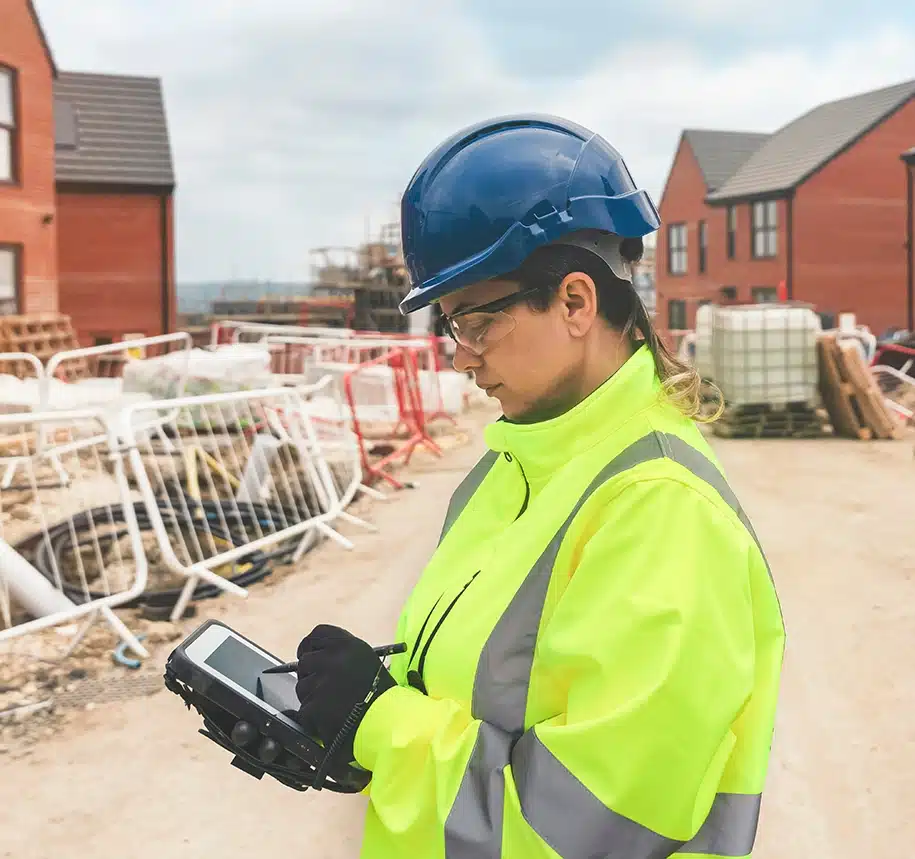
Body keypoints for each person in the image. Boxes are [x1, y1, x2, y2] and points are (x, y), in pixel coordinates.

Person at [292, 115, 786, 859]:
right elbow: (497, 688)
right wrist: (380, 690)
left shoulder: (660, 512)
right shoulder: (514, 467)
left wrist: (381, 723)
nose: (460, 357)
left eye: (475, 321)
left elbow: (589, 827)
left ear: (576, 302)